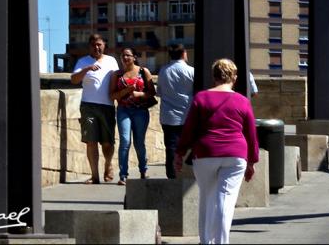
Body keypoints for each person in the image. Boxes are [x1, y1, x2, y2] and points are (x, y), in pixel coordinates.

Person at [174, 58, 259, 245]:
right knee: (225, 200)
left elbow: (189, 129)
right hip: (236, 155)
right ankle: (222, 241)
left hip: (205, 154)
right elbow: (251, 133)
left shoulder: (201, 98)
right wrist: (252, 161)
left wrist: (179, 153)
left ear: (214, 77)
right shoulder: (243, 101)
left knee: (207, 197)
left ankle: (206, 241)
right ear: (234, 77)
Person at [70, 34, 119, 183]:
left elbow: (117, 80)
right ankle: (95, 176)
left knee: (107, 142)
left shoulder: (111, 61)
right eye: (93, 45)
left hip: (107, 106)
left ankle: (108, 164)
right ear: (89, 46)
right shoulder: (82, 61)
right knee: (91, 141)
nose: (96, 47)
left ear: (104, 45)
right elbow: (74, 80)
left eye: (99, 44)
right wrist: (86, 69)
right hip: (88, 107)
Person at [110, 47, 155, 184]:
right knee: (125, 141)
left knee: (139, 142)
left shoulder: (143, 71)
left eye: (128, 55)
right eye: (123, 55)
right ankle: (123, 175)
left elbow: (152, 92)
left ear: (134, 57)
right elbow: (112, 95)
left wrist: (139, 94)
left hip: (140, 111)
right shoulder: (116, 75)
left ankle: (143, 169)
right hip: (124, 110)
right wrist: (125, 91)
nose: (125, 58)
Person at [158, 43, 195, 179]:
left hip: (168, 116)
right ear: (184, 54)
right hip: (187, 115)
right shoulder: (191, 71)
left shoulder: (163, 71)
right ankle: (187, 173)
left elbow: (160, 92)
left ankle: (172, 175)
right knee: (189, 146)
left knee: (171, 148)